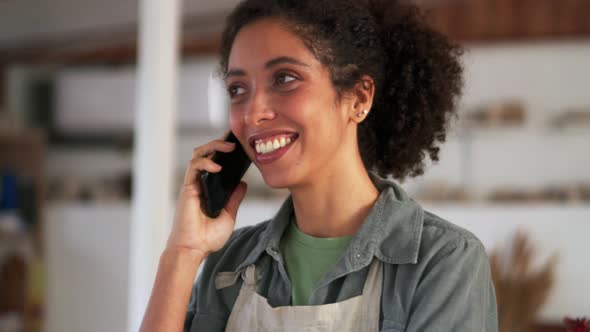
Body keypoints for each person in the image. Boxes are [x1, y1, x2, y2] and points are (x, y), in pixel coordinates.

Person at [140, 0, 498, 331]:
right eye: (237, 89)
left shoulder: (443, 263)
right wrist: (183, 253)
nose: (253, 113)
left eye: (284, 78)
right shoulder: (229, 263)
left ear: (358, 97)